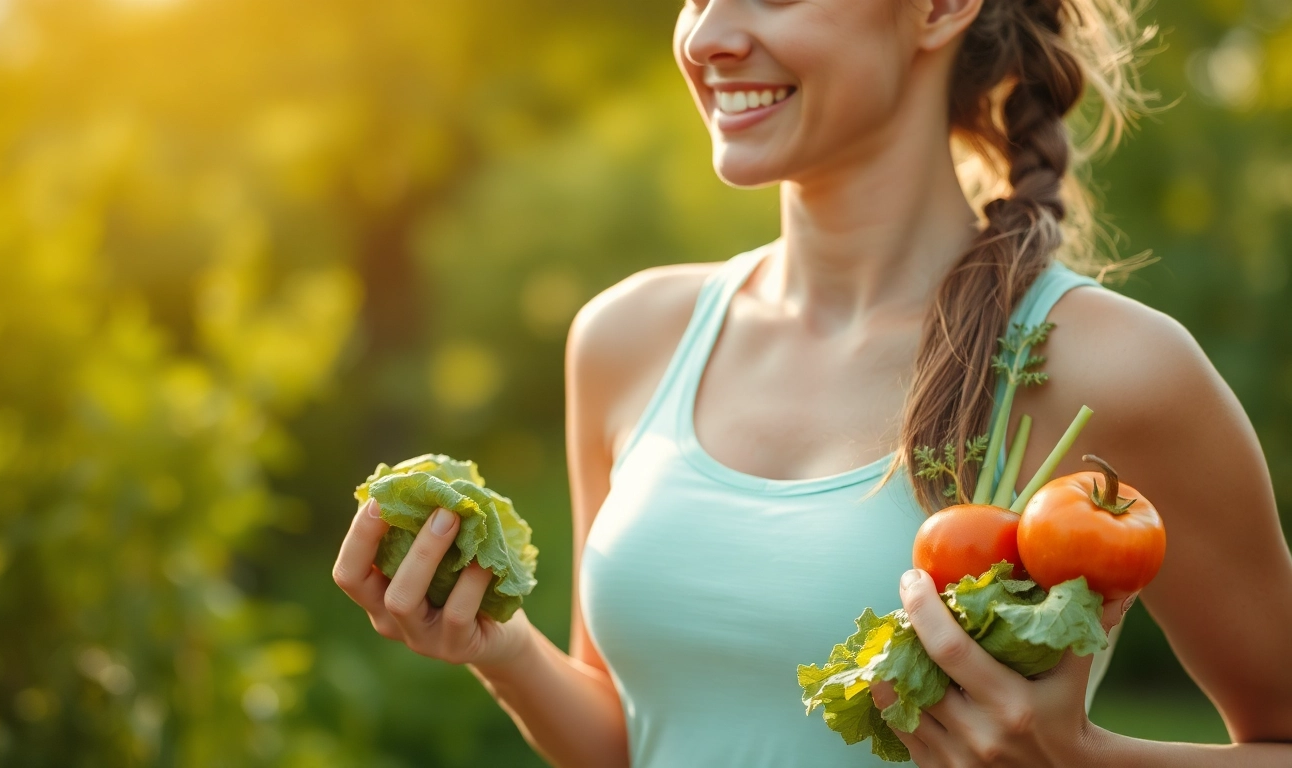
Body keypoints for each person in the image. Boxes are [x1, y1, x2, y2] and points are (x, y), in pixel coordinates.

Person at [332, 0, 1292, 765]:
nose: (707, 36)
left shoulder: (1113, 368)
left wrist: (1084, 764)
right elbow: (646, 738)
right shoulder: (629, 337)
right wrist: (498, 651)